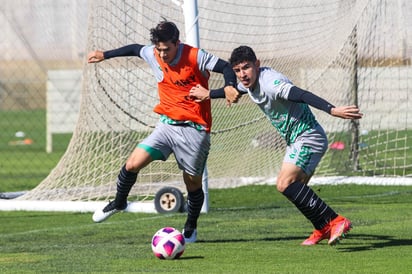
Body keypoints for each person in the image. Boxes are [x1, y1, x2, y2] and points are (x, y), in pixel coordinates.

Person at [189, 45, 363, 246]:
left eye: (246, 68)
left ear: (257, 64)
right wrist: (209, 94)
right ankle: (321, 227)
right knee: (297, 190)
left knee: (284, 184)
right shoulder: (248, 82)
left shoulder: (271, 82)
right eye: (237, 71)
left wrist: (332, 110)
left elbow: (301, 94)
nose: (242, 74)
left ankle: (336, 221)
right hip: (296, 140)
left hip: (308, 137)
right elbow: (236, 89)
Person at [87, 20, 239, 243]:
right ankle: (119, 202)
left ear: (177, 43)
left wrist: (228, 85)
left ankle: (190, 226)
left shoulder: (195, 56)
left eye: (167, 49)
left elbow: (226, 66)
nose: (163, 54)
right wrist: (105, 54)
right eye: (159, 49)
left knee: (193, 183)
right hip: (166, 125)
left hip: (195, 130)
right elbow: (134, 49)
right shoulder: (153, 53)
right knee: (132, 164)